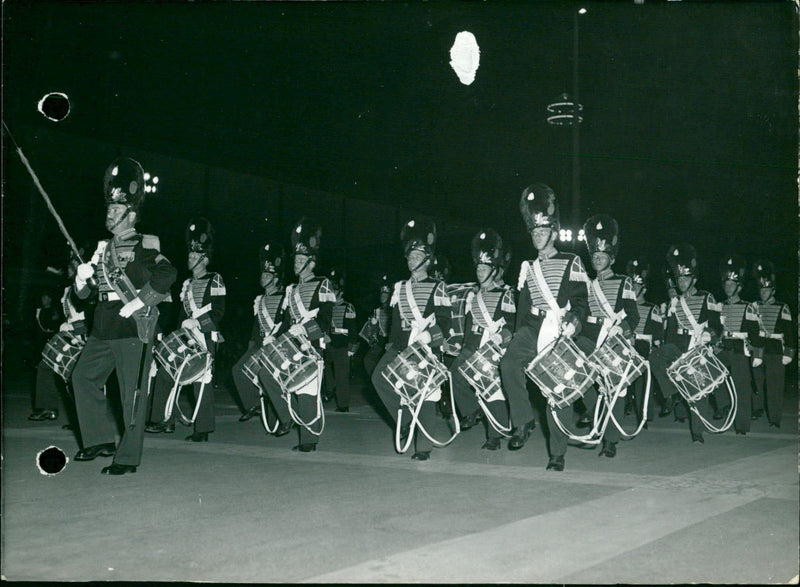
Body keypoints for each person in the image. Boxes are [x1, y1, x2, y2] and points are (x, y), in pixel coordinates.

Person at [71, 157, 177, 475]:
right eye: (109, 208)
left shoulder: (145, 245)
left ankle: (128, 457)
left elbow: (167, 273)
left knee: (131, 392)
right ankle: (100, 440)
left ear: (130, 214)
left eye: (117, 210)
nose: (110, 213)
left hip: (133, 325)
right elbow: (86, 294)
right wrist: (81, 279)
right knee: (82, 376)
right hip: (104, 323)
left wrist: (138, 302)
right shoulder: (101, 251)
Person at [498, 183, 589, 471]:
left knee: (557, 390)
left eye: (542, 231)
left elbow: (581, 305)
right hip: (532, 326)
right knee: (509, 363)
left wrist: (573, 324)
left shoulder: (571, 261)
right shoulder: (527, 267)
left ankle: (557, 453)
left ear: (553, 232)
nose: (537, 236)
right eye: (534, 232)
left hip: (559, 328)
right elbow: (523, 310)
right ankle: (524, 422)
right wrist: (513, 336)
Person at [371, 218, 453, 461]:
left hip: (425, 347)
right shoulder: (399, 287)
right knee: (379, 377)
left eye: (416, 256)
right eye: (409, 256)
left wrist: (428, 338)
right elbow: (397, 322)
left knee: (424, 394)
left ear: (427, 260)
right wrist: (393, 345)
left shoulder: (438, 287)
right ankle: (405, 419)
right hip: (400, 346)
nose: (411, 260)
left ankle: (423, 447)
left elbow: (445, 323)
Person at [147, 218, 226, 441]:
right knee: (166, 372)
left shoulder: (215, 280)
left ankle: (202, 429)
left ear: (205, 259)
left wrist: (198, 323)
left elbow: (219, 312)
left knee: (201, 381)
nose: (189, 258)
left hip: (205, 335)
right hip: (188, 336)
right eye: (189, 255)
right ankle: (163, 420)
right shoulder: (187, 284)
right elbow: (181, 316)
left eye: (194, 256)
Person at [261, 218, 335, 452]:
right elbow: (285, 320)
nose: (297, 263)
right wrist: (274, 335)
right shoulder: (291, 290)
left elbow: (325, 321)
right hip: (289, 343)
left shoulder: (323, 285)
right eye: (296, 259)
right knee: (267, 373)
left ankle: (308, 440)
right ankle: (287, 417)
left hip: (310, 344)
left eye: (302, 260)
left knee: (307, 391)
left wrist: (305, 328)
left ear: (311, 264)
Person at [577, 215, 639, 458]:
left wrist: (621, 329)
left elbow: (633, 316)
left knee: (616, 389)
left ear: (611, 258)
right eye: (594, 255)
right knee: (576, 369)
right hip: (589, 337)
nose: (598, 258)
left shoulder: (624, 282)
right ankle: (595, 412)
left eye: (602, 255)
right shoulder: (585, 284)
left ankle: (610, 441)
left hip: (614, 339)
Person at [648, 244, 723, 443]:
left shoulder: (707, 297)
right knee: (655, 356)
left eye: (685, 278)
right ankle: (670, 395)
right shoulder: (675, 303)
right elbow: (671, 332)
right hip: (677, 346)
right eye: (679, 278)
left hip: (698, 346)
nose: (681, 282)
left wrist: (710, 334)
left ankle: (697, 433)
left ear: (694, 279)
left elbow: (716, 324)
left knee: (699, 392)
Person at [449, 229, 516, 450]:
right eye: (478, 267)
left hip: (494, 348)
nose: (479, 271)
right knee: (454, 372)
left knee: (491, 389)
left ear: (494, 270)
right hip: (472, 346)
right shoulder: (473, 296)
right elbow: (469, 325)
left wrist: (500, 339)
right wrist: (462, 344)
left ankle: (494, 437)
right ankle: (471, 411)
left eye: (484, 268)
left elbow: (512, 326)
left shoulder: (505, 294)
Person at [29, 253, 90, 427]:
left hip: (83, 335)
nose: (69, 269)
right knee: (46, 366)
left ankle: (82, 418)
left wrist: (77, 328)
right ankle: (47, 408)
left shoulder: (88, 288)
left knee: (76, 377)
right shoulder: (68, 287)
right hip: (70, 334)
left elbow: (94, 316)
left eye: (73, 266)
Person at [230, 243, 288, 426]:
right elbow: (257, 325)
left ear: (276, 278)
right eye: (262, 274)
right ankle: (252, 405)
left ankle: (280, 414)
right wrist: (251, 343)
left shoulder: (284, 298)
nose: (262, 277)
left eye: (267, 274)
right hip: (259, 345)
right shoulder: (260, 300)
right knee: (238, 370)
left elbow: (285, 324)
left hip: (276, 346)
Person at [716, 255, 760, 435]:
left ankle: (742, 425)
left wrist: (757, 354)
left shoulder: (748, 307)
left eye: (732, 285)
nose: (728, 288)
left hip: (740, 349)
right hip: (723, 347)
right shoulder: (719, 306)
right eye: (726, 285)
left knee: (741, 388)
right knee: (713, 376)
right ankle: (724, 405)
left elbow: (755, 334)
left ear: (739, 287)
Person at [750, 260, 795, 428]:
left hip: (775, 349)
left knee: (774, 385)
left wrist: (789, 353)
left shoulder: (782, 307)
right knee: (756, 381)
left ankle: (775, 418)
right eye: (761, 289)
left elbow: (789, 333)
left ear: (773, 290)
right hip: (758, 348)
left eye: (766, 289)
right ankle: (758, 408)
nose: (763, 292)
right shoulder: (754, 307)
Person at [625, 258, 663, 426]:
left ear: (644, 289)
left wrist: (656, 347)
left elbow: (657, 333)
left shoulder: (651, 308)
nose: (634, 289)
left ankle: (645, 415)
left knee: (643, 384)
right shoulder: (624, 307)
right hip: (626, 345)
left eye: (638, 286)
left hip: (643, 347)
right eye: (632, 286)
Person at [323, 268, 358, 412]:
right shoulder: (326, 307)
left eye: (334, 291)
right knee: (323, 367)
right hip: (327, 344)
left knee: (341, 374)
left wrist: (352, 347)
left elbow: (353, 330)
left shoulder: (348, 307)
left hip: (341, 345)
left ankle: (343, 404)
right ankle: (330, 389)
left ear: (340, 292)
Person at [360, 274, 391, 381]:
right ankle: (376, 381)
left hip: (391, 341)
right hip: (381, 341)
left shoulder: (393, 310)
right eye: (382, 294)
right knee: (368, 360)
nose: (383, 296)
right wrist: (373, 324)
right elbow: (375, 330)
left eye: (386, 294)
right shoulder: (378, 310)